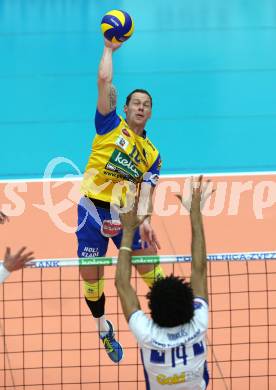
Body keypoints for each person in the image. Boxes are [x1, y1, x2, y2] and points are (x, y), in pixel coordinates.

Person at [76, 38, 164, 363]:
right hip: (92, 212)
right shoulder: (108, 124)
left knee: (152, 272)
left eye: (146, 104)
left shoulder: (152, 157)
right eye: (135, 103)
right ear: (125, 109)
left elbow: (146, 195)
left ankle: (164, 326)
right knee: (91, 280)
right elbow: (104, 80)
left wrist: (147, 220)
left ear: (150, 113)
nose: (141, 107)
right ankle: (103, 328)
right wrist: (108, 49)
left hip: (126, 217)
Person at [115, 176, 212, 389]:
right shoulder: (199, 323)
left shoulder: (148, 334)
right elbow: (200, 268)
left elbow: (122, 284)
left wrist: (128, 232)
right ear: (189, 304)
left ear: (153, 309)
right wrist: (195, 214)